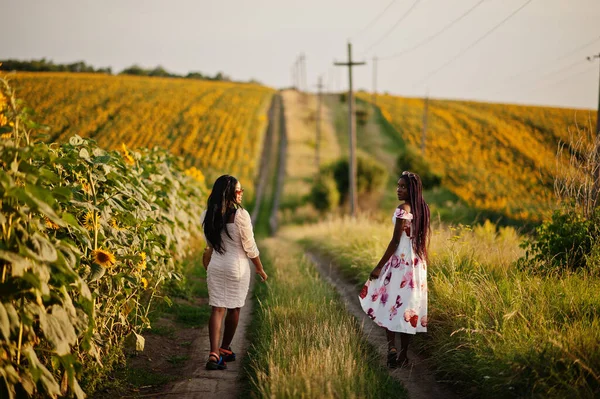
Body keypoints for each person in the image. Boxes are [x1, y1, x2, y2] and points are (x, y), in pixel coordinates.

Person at [358, 171, 430, 368]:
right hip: (417, 265)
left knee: (388, 302)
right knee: (409, 308)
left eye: (403, 186)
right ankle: (404, 355)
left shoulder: (402, 210)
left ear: (412, 189)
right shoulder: (423, 209)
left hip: (400, 263)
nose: (398, 189)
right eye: (398, 186)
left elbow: (396, 241)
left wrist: (379, 266)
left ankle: (392, 348)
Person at [201, 175, 268, 370]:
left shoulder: (207, 215)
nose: (241, 194)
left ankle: (214, 354)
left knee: (216, 309)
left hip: (216, 266)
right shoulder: (240, 215)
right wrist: (259, 268)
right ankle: (225, 349)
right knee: (235, 309)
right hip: (236, 267)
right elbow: (250, 247)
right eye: (238, 191)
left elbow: (210, 245)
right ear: (229, 193)